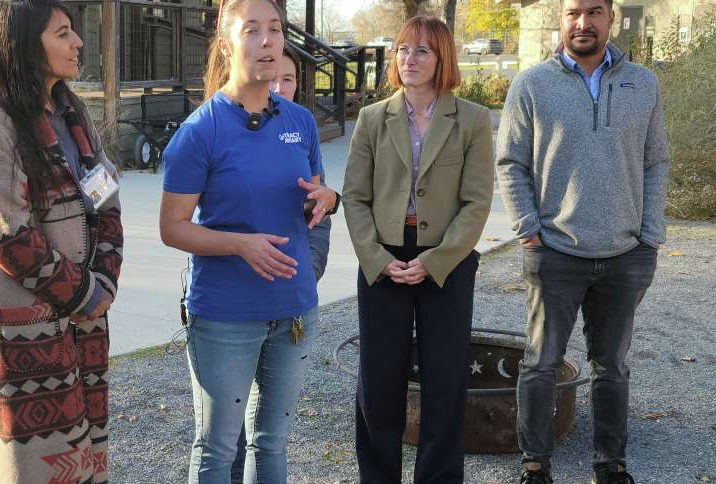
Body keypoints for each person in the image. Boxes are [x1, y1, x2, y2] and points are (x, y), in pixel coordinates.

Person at [159, 0, 339, 481]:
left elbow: (312, 197)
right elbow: (172, 227)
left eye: (276, 29)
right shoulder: (201, 131)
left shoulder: (299, 121)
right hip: (225, 315)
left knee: (272, 444)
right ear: (226, 44)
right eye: (252, 30)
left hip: (295, 309)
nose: (267, 40)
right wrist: (241, 245)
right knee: (218, 449)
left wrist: (327, 198)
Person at [0, 1, 123, 482]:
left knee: (84, 459)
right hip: (24, 331)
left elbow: (106, 199)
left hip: (85, 320)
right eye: (63, 33)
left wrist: (104, 280)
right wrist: (86, 294)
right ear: (25, 42)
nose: (78, 43)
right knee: (32, 467)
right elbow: (6, 234)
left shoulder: (73, 115)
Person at [497, 0, 669, 482]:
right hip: (555, 251)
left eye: (594, 12)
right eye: (574, 12)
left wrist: (650, 234)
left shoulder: (644, 84)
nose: (583, 22)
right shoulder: (532, 84)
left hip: (625, 253)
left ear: (610, 18)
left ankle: (610, 464)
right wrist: (529, 228)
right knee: (541, 363)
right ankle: (535, 464)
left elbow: (656, 160)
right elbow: (511, 162)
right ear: (561, 18)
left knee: (612, 366)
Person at [342, 15, 494, 484]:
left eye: (422, 51)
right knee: (379, 381)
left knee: (445, 380)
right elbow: (355, 197)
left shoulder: (471, 119)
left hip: (446, 260)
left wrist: (434, 261)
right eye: (403, 49)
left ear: (441, 58)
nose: (409, 59)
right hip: (383, 258)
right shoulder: (372, 118)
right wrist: (378, 259)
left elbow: (476, 201)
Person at [228, 45, 333, 484]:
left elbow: (318, 209)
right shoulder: (221, 125)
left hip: (288, 300)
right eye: (273, 80)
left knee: (269, 435)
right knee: (224, 434)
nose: (278, 87)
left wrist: (303, 267)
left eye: (287, 80)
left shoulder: (301, 129)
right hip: (230, 306)